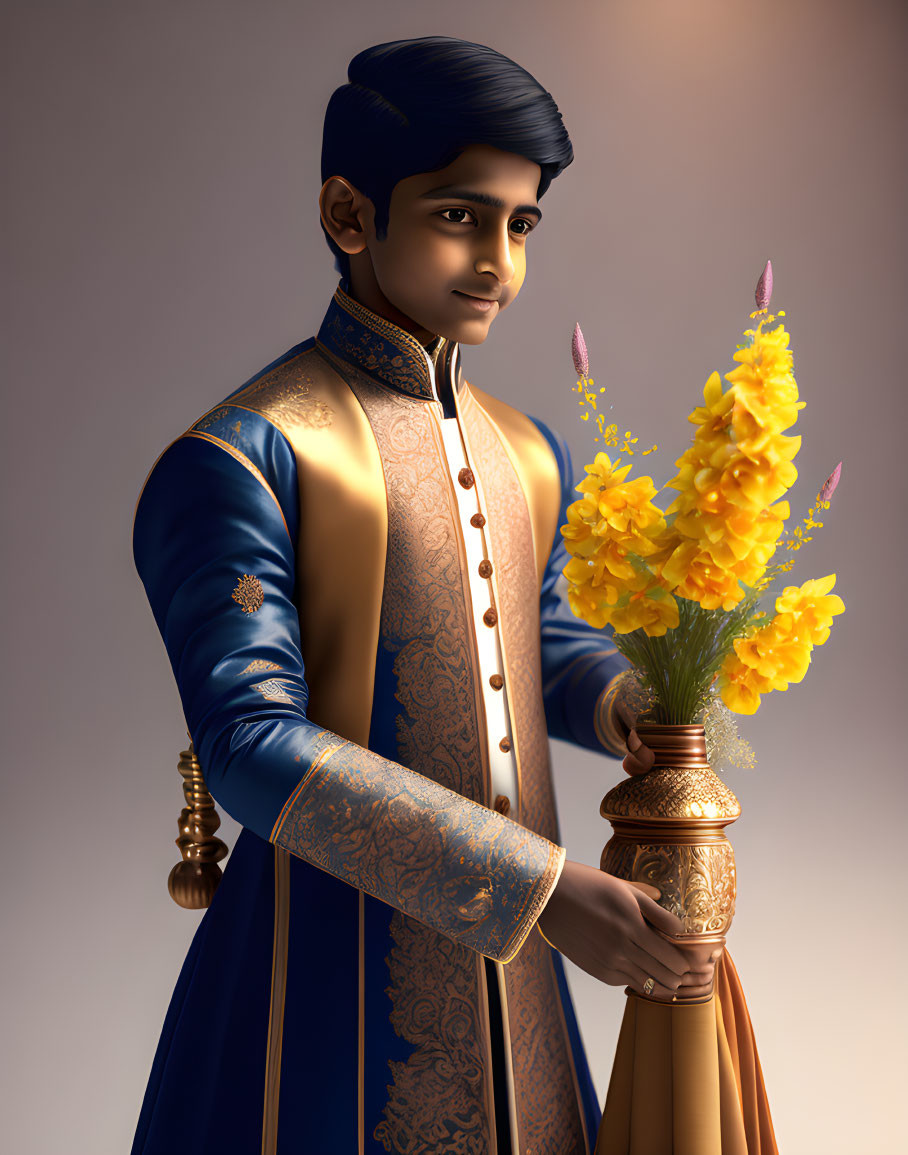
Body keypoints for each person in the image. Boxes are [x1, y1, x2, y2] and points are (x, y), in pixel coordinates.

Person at [131, 36, 716, 1154]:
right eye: (459, 215)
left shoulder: (524, 450)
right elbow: (252, 740)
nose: (498, 260)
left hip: (526, 997)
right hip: (315, 979)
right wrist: (541, 894)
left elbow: (527, 634)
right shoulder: (245, 458)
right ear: (349, 215)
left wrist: (616, 706)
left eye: (521, 224)